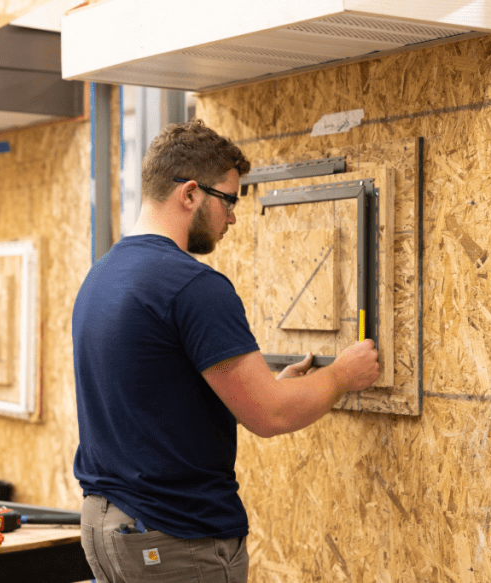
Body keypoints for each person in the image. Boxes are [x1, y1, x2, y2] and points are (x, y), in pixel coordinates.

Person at [72, 120, 381, 583]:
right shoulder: (192, 285)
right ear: (191, 193)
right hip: (176, 535)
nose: (233, 216)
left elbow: (156, 402)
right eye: (230, 199)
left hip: (111, 527)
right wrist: (342, 375)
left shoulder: (101, 276)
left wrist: (258, 390)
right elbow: (270, 416)